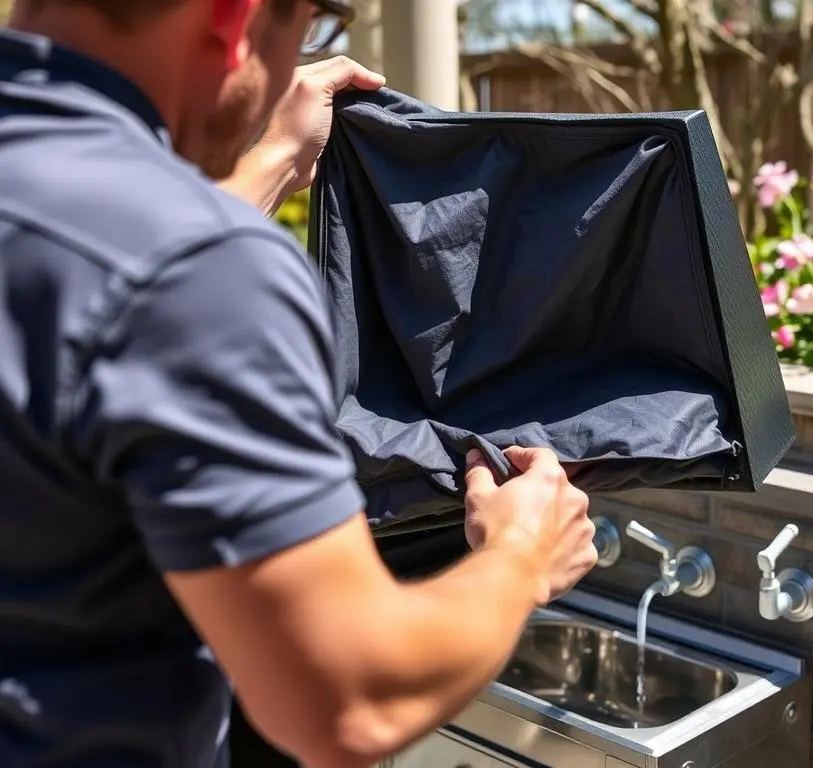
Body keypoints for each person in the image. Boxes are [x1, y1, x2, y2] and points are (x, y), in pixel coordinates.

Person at [0, 1, 599, 767]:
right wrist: (522, 554)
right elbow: (351, 701)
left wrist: (278, 157)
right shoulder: (193, 268)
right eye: (307, 28)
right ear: (233, 17)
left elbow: (101, 288)